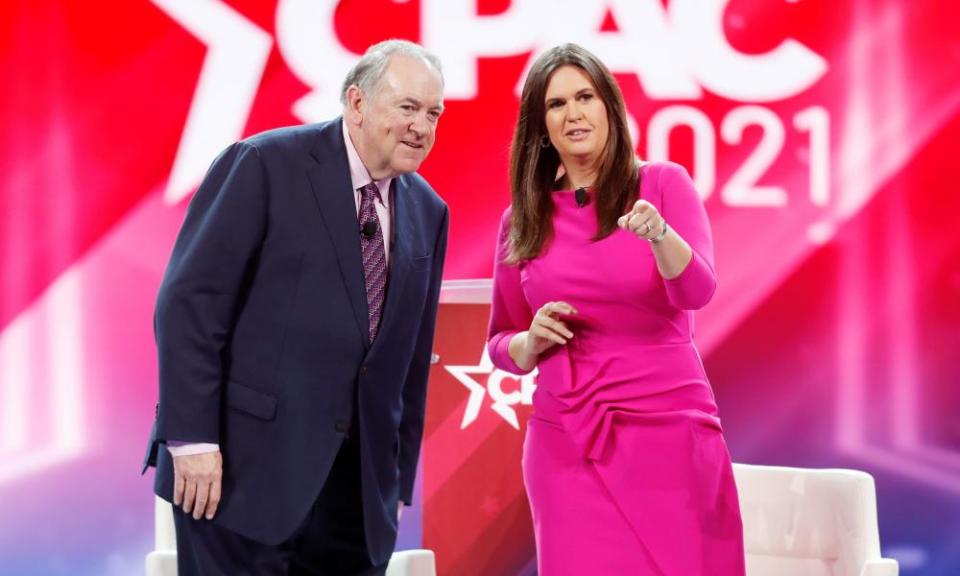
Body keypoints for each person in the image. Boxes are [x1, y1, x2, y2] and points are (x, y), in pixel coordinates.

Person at [142, 39, 448, 576]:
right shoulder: (264, 163)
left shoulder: (428, 209)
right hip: (241, 477)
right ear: (356, 102)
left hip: (354, 498)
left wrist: (396, 475)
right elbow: (190, 304)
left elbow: (410, 353)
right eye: (406, 108)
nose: (421, 126)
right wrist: (191, 439)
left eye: (433, 113)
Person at [486, 43, 745, 575]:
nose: (573, 114)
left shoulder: (663, 184)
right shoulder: (523, 218)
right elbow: (500, 344)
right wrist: (530, 342)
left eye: (585, 97)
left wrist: (660, 235)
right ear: (541, 125)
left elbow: (696, 292)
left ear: (610, 106)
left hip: (669, 430)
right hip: (566, 439)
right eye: (556, 105)